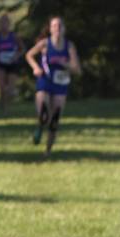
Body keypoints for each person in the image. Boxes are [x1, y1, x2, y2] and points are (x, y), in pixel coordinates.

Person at [25, 16, 80, 154]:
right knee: (44, 115)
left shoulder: (69, 46)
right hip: (45, 81)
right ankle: (40, 126)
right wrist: (36, 68)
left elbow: (77, 69)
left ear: (64, 29)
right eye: (54, 26)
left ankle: (48, 151)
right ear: (50, 29)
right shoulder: (45, 44)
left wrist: (65, 64)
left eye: (60, 25)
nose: (57, 28)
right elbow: (29, 55)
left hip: (60, 84)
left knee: (54, 119)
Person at [0, 14, 24, 112]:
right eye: (2, 23)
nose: (4, 25)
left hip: (12, 63)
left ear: (9, 24)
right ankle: (3, 106)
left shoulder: (14, 36)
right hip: (1, 63)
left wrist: (16, 56)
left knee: (10, 88)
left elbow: (22, 49)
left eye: (6, 23)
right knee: (1, 87)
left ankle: (7, 106)